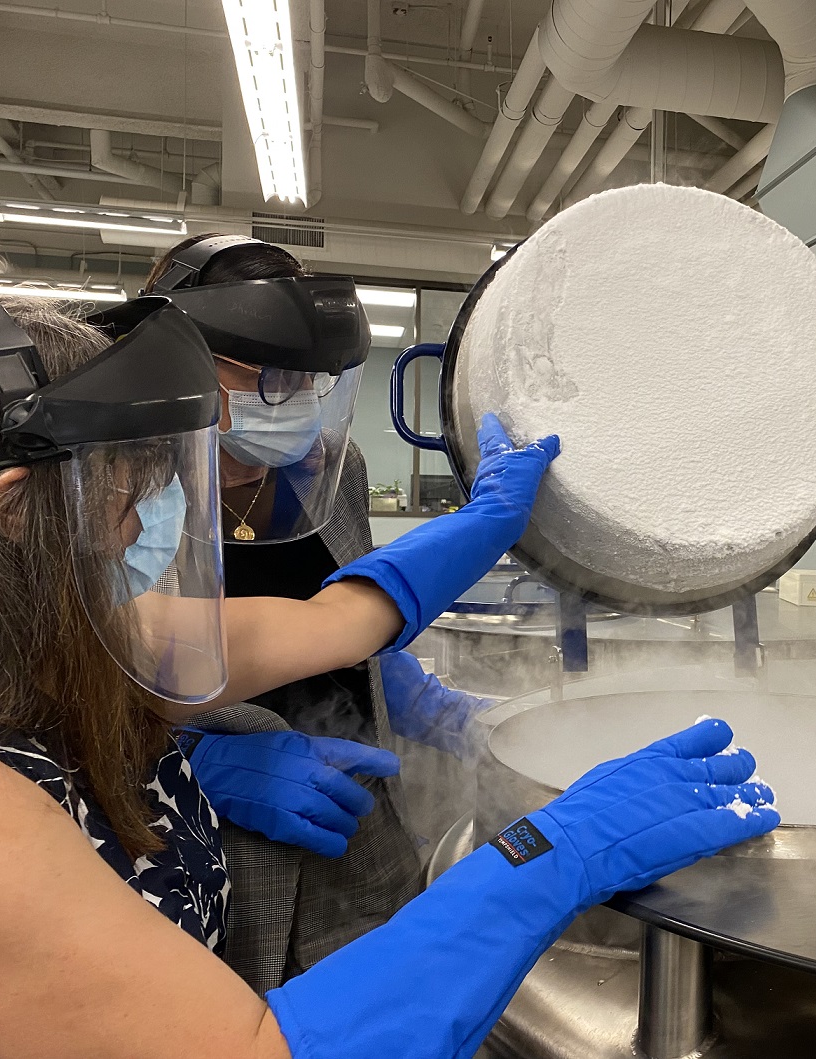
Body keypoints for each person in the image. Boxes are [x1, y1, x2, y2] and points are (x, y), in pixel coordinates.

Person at [0, 294, 779, 1059]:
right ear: (14, 511)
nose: (156, 521)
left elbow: (341, 622)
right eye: (124, 497)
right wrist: (555, 853)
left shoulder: (84, 639)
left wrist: (492, 519)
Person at [141, 233, 486, 992]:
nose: (291, 402)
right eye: (265, 375)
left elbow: (342, 617)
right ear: (177, 357)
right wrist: (184, 765)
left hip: (356, 831)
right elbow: (38, 685)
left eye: (307, 381)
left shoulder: (329, 468)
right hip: (204, 847)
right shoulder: (117, 485)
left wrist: (426, 702)